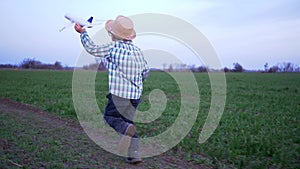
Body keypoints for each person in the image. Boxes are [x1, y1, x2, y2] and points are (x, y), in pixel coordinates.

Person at [74, 15, 149, 164]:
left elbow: (92, 48)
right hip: (135, 96)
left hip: (119, 95)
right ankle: (134, 155)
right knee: (128, 122)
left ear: (113, 34)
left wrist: (83, 33)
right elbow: (145, 71)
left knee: (112, 118)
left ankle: (127, 130)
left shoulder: (113, 47)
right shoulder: (138, 51)